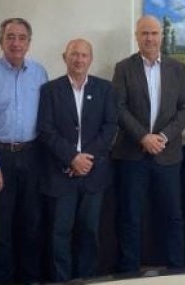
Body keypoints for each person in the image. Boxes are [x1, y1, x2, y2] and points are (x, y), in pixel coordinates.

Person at [112, 15, 185, 272]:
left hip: (168, 156)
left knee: (172, 216)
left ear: (162, 36)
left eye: (154, 33)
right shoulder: (123, 68)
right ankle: (129, 271)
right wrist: (143, 137)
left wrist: (163, 137)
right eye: (144, 33)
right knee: (130, 216)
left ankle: (176, 270)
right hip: (132, 155)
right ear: (136, 36)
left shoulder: (177, 68)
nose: (149, 38)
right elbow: (118, 107)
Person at [0, 17, 48, 284]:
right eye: (10, 37)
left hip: (32, 155)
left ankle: (30, 278)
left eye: (22, 38)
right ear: (1, 41)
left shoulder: (39, 73)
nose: (16, 43)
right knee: (1, 226)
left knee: (32, 223)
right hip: (0, 155)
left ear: (29, 42)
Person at [38, 38, 118, 282]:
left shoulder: (105, 89)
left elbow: (110, 127)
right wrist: (72, 158)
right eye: (74, 54)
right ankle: (62, 280)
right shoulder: (50, 90)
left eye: (84, 55)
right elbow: (45, 130)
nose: (79, 59)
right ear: (65, 57)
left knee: (89, 232)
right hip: (60, 173)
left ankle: (86, 279)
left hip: (94, 174)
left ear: (91, 59)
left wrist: (86, 160)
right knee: (59, 234)